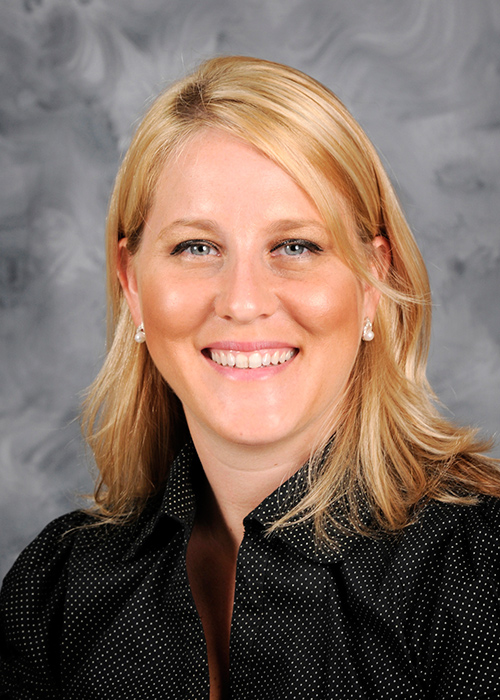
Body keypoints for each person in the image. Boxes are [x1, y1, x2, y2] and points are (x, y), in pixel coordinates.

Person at [1, 56, 499, 700]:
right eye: (195, 248)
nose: (242, 301)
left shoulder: (478, 578)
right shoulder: (59, 590)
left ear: (373, 285)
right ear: (131, 285)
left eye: (296, 246)